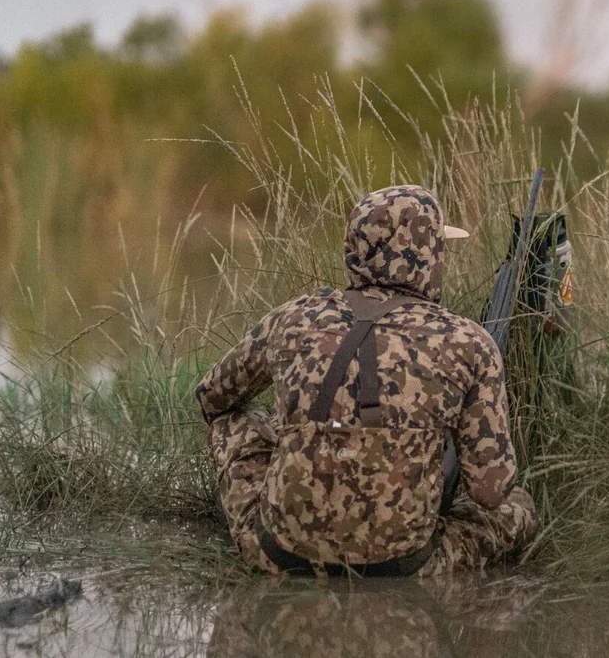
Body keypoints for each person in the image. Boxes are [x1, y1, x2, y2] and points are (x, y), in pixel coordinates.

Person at [195, 185, 537, 577]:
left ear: (352, 250)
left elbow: (211, 398)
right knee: (518, 507)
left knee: (230, 422)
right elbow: (490, 490)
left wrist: (289, 433)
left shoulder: (292, 317)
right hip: (408, 564)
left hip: (277, 554)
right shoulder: (469, 341)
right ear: (430, 258)